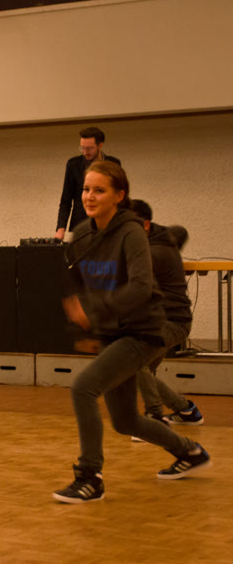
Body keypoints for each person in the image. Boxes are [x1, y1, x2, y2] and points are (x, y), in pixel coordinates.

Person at [53, 161, 211, 504]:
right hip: (112, 332)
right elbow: (79, 288)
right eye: (86, 189)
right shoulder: (82, 235)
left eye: (99, 190)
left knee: (83, 388)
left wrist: (95, 310)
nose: (89, 196)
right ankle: (190, 452)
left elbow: (140, 288)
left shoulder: (131, 232)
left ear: (119, 195)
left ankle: (89, 477)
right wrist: (85, 326)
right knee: (125, 421)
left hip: (142, 331)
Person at [128, 199, 203, 431]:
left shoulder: (153, 253)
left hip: (171, 322)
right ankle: (186, 410)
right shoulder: (158, 238)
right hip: (166, 321)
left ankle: (154, 417)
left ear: (145, 225)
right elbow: (179, 231)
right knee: (141, 370)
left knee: (135, 361)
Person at [55, 127, 121, 241]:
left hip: (107, 223)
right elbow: (66, 199)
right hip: (81, 224)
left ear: (100, 145)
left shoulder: (113, 164)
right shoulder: (73, 165)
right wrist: (61, 228)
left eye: (89, 148)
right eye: (82, 148)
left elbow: (118, 197)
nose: (85, 152)